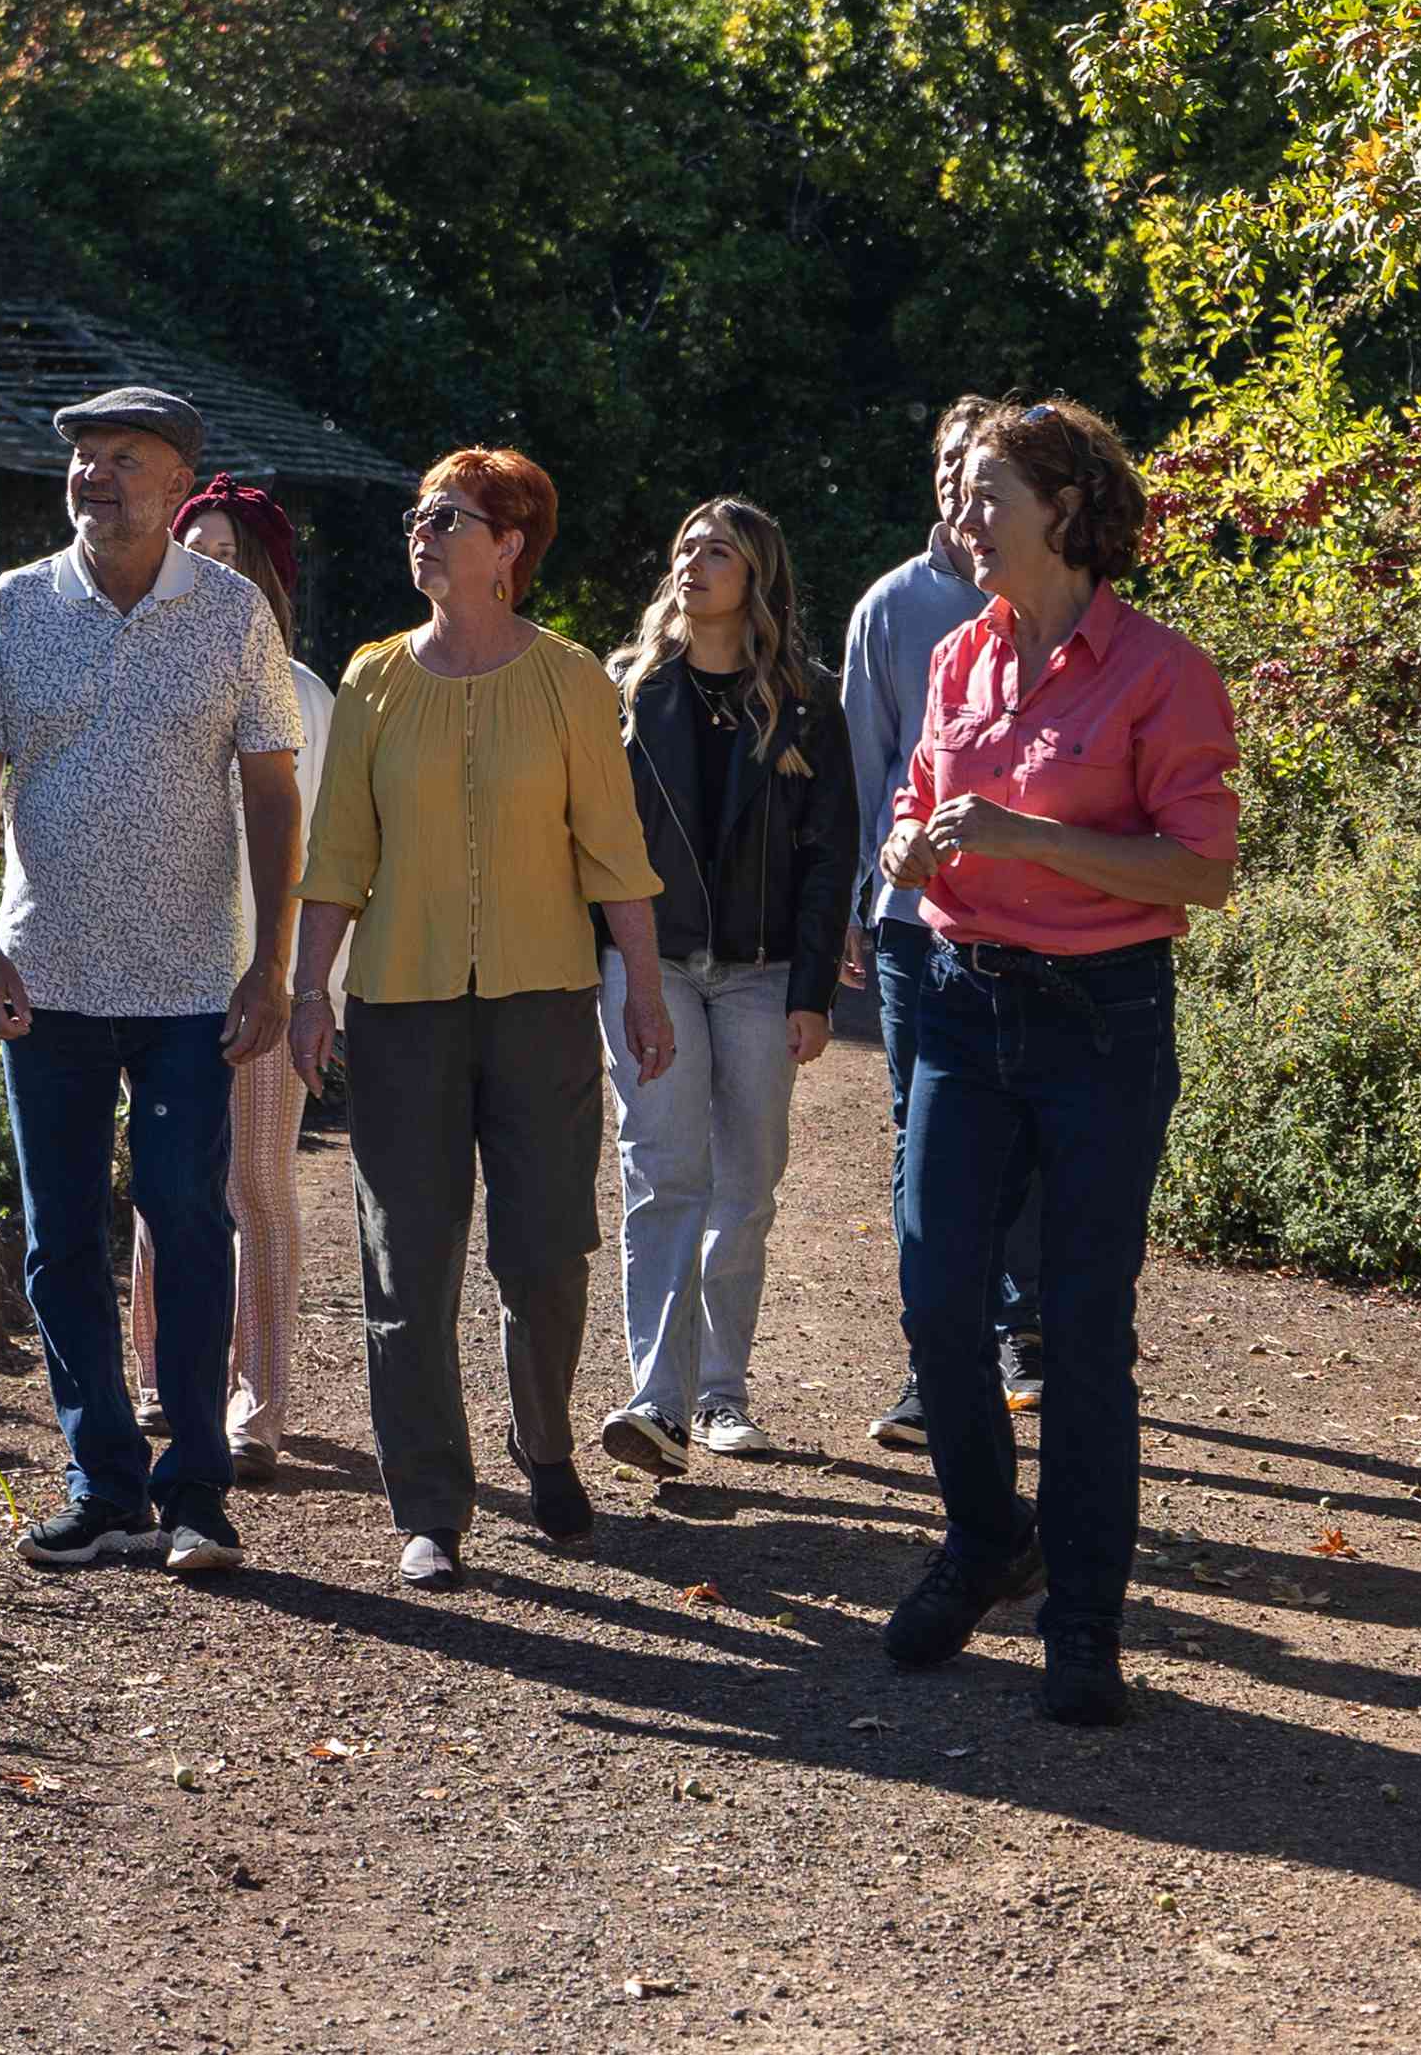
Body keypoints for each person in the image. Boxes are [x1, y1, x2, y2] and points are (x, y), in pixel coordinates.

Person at [869, 397, 1240, 1725]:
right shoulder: (961, 654)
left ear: (1066, 513)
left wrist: (1026, 839)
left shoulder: (1161, 672)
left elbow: (1203, 869)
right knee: (933, 1300)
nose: (961, 520)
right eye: (960, 495)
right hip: (962, 1003)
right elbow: (922, 798)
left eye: (985, 498)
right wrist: (910, 846)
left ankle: (1084, 1621)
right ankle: (986, 1539)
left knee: (1084, 1336)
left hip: (1102, 1020)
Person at [0, 388, 308, 1579]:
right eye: (83, 460)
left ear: (179, 479)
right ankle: (106, 1486)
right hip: (47, 985)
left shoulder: (233, 615)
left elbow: (272, 795)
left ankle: (196, 1487)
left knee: (189, 1222)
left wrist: (272, 966)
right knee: (55, 1245)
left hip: (195, 984)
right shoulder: (13, 607)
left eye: (123, 460)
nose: (95, 477)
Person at [286, 447, 677, 1593]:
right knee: (407, 1263)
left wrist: (644, 990)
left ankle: (545, 1441)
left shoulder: (568, 680)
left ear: (508, 546)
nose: (421, 530)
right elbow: (340, 856)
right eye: (417, 514)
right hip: (400, 1005)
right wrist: (311, 990)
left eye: (447, 515)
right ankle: (429, 1506)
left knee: (546, 1251)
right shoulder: (371, 680)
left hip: (542, 1001)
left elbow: (614, 852)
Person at [586, 499, 852, 1476]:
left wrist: (813, 990)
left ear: (757, 576)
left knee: (742, 1190)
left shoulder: (808, 700)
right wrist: (595, 964)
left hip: (762, 974)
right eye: (686, 544)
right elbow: (588, 837)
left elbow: (831, 855)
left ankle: (722, 1395)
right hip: (648, 963)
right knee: (664, 1176)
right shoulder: (626, 688)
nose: (695, 560)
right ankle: (658, 1400)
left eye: (720, 549)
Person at [840, 396, 1041, 1453]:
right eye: (950, 465)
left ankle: (1027, 1329)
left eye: (984, 466)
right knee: (924, 1138)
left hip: (1035, 918)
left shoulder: (1057, 605)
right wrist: (852, 906)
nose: (965, 486)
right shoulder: (892, 607)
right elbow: (868, 771)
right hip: (916, 919)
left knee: (1028, 1132)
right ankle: (937, 1360)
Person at [128, 475, 334, 1481]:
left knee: (255, 1182)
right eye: (188, 554)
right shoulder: (132, 678)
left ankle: (259, 1399)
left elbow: (327, 850)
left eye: (221, 557)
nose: (199, 572)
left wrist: (304, 983)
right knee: (166, 1183)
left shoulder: (300, 697)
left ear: (263, 580)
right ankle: (168, 1380)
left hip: (265, 972)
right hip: (157, 975)